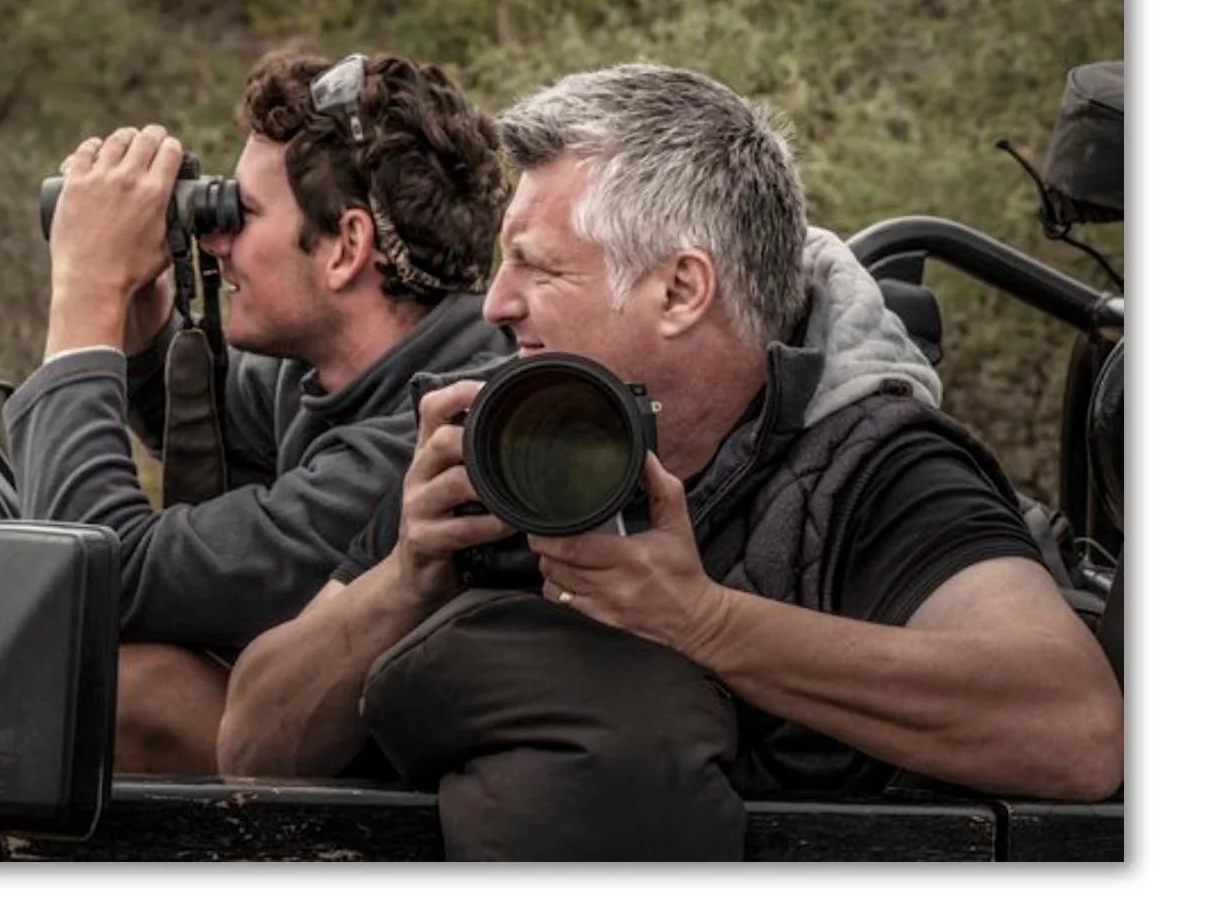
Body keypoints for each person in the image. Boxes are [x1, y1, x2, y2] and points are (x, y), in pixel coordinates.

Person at [217, 62, 1124, 859]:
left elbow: (1073, 728)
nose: (494, 303)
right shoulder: (493, 435)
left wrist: (701, 620)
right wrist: (407, 574)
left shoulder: (866, 465)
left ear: (681, 288)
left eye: (536, 267)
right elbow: (252, 749)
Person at [5, 50, 512, 774]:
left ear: (346, 246)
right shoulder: (341, 363)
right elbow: (199, 426)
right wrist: (142, 297)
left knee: (121, 687)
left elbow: (89, 578)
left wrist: (84, 292)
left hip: (389, 805)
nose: (217, 240)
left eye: (237, 215)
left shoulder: (418, 439)